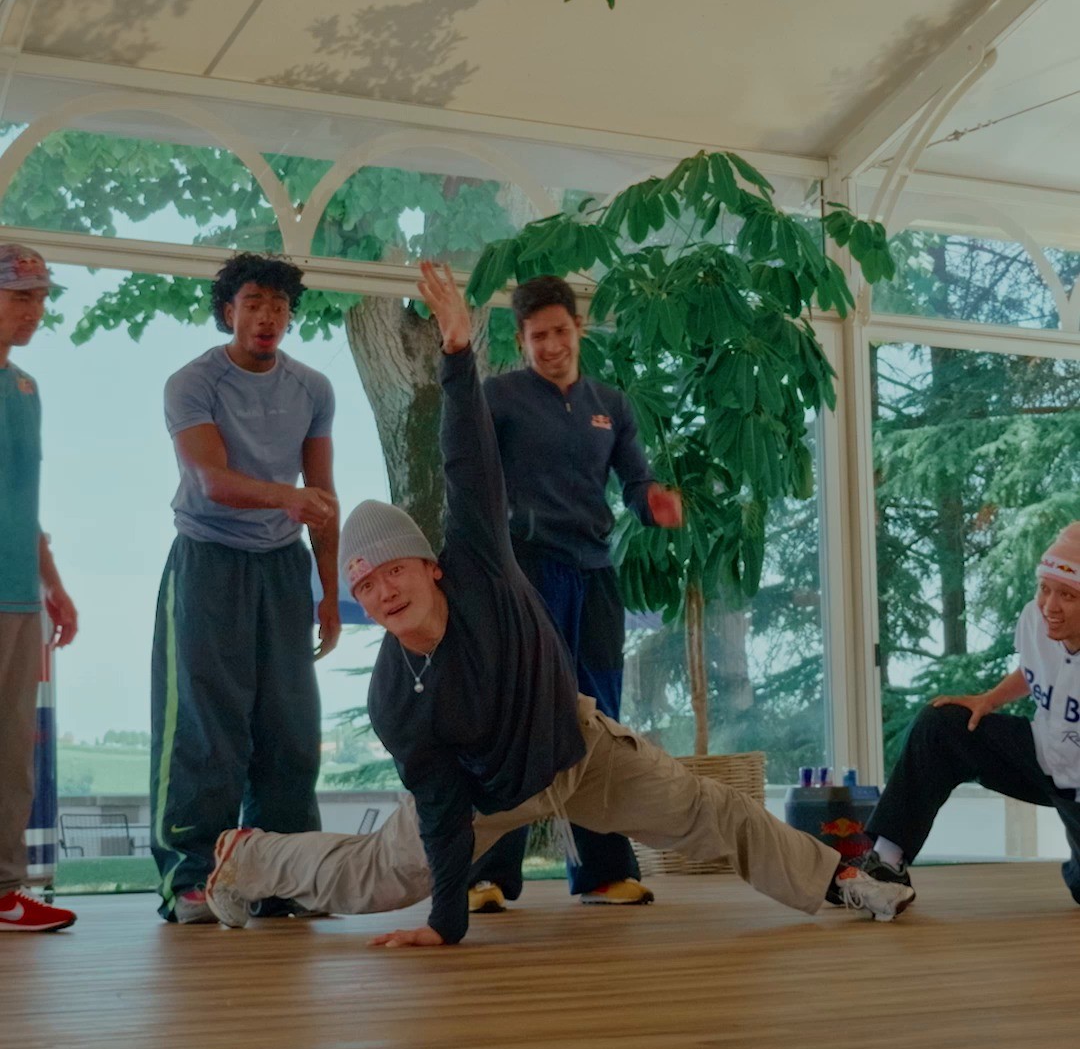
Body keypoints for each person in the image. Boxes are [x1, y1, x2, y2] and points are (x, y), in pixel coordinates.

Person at [205, 262, 914, 940]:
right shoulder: (394, 697)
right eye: (366, 585)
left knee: (712, 809)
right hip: (485, 795)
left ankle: (843, 880)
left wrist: (457, 350)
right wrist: (445, 926)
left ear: (433, 567)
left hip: (577, 749)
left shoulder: (484, 569)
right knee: (372, 877)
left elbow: (466, 461)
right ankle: (249, 857)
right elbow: (443, 808)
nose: (385, 590)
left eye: (395, 570)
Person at [468, 273, 682, 914]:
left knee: (600, 722)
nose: (552, 345)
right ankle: (484, 874)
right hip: (526, 573)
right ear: (521, 340)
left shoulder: (609, 404)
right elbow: (469, 478)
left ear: (578, 328)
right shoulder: (498, 397)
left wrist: (654, 502)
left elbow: (635, 480)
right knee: (516, 716)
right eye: (538, 336)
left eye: (560, 331)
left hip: (594, 575)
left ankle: (602, 873)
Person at [151, 251, 340, 923]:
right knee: (207, 728)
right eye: (253, 303)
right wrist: (287, 498)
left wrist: (328, 592)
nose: (267, 317)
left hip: (283, 568)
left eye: (279, 306)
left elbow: (324, 497)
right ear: (228, 310)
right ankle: (191, 878)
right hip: (207, 563)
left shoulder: (313, 388)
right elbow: (211, 481)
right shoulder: (192, 383)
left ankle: (282, 877)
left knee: (290, 729)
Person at [858, 523, 1080, 902]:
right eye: (1044, 588)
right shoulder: (1036, 619)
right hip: (1044, 754)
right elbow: (1035, 669)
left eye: (1067, 595)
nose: (1050, 606)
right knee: (941, 724)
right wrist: (988, 700)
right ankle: (885, 866)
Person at [0, 244, 78, 934]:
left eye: (41, 297)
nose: (34, 310)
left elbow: (23, 500)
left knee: (12, 753)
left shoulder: (25, 389)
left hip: (20, 596)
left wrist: (53, 582)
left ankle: (4, 892)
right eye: (21, 296)